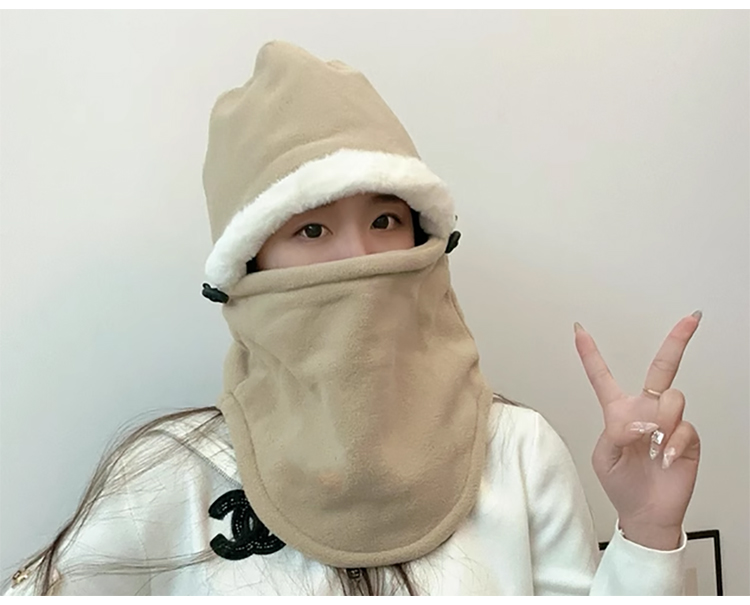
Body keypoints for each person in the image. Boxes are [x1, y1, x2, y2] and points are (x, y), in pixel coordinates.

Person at [5, 40, 701, 596]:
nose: (360, 259)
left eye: (385, 219)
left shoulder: (518, 453)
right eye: (311, 229)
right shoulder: (168, 475)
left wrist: (647, 530)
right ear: (248, 265)